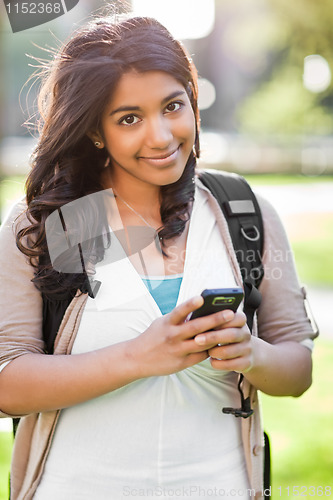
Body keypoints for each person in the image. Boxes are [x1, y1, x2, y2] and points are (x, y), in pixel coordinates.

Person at [0, 14, 317, 500]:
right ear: (95, 131)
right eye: (130, 118)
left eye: (173, 106)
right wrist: (137, 357)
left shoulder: (244, 213)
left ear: (192, 97)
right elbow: (7, 383)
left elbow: (298, 370)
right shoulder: (44, 225)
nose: (162, 137)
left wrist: (252, 355)